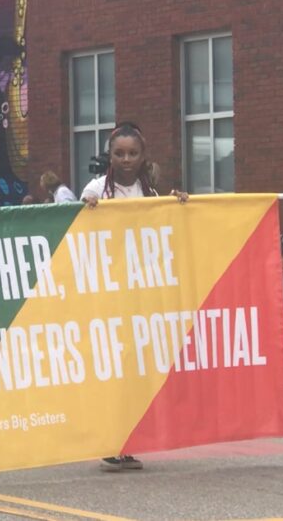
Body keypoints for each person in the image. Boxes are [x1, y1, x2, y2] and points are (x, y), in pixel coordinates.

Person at [78, 121, 186, 473]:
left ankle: (124, 442)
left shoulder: (149, 192)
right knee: (112, 370)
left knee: (134, 370)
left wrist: (180, 206)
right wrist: (86, 205)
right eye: (119, 153)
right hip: (106, 294)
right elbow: (74, 228)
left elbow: (162, 232)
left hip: (139, 296)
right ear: (109, 156)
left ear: (143, 156)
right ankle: (109, 441)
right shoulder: (96, 188)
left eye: (133, 153)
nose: (126, 159)